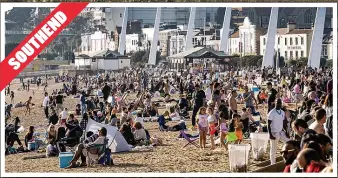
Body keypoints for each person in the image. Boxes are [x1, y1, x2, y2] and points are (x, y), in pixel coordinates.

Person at [268, 99, 290, 164]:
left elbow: (284, 122)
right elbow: (268, 124)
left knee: (289, 141)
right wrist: (270, 135)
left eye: (280, 103)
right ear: (275, 103)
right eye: (278, 103)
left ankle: (286, 156)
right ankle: (273, 163)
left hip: (281, 131)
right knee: (273, 149)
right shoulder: (272, 112)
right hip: (274, 132)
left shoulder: (282, 112)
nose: (279, 104)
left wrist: (286, 132)